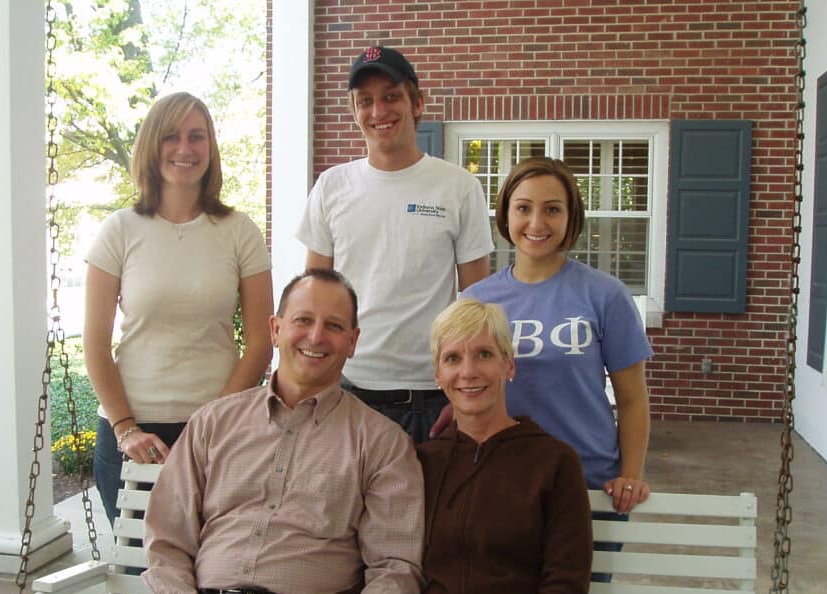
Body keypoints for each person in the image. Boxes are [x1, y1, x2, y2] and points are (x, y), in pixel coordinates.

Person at [12, 269, 425, 594]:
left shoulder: (381, 443)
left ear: (353, 341)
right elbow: (167, 538)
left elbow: (396, 571)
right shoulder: (215, 422)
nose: (317, 337)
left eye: (334, 326)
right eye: (303, 320)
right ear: (274, 329)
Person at [268, 298, 591, 594]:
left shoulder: (553, 463)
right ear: (437, 376)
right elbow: (387, 564)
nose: (468, 371)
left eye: (484, 354)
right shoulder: (419, 462)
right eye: (452, 358)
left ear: (509, 365)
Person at [84, 91, 273, 530]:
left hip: (219, 432)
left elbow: (262, 341)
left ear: (211, 147)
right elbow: (94, 342)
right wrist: (126, 428)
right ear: (152, 145)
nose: (185, 149)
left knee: (213, 572)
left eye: (196, 136)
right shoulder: (119, 231)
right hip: (133, 437)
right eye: (171, 136)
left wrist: (212, 426)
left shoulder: (239, 232)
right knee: (140, 576)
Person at [297, 45, 494, 442]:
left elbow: (476, 303)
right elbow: (314, 296)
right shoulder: (332, 186)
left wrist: (464, 395)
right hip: (348, 388)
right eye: (364, 101)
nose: (378, 111)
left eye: (391, 97)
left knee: (429, 506)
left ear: (417, 102)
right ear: (354, 111)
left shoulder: (458, 187)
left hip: (432, 397)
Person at [463, 156, 653, 513]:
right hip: (501, 480)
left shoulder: (606, 295)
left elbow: (632, 399)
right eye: (523, 208)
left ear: (570, 217)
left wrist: (631, 474)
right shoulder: (475, 300)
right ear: (505, 215)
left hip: (590, 481)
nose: (537, 223)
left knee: (583, 573)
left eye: (552, 209)